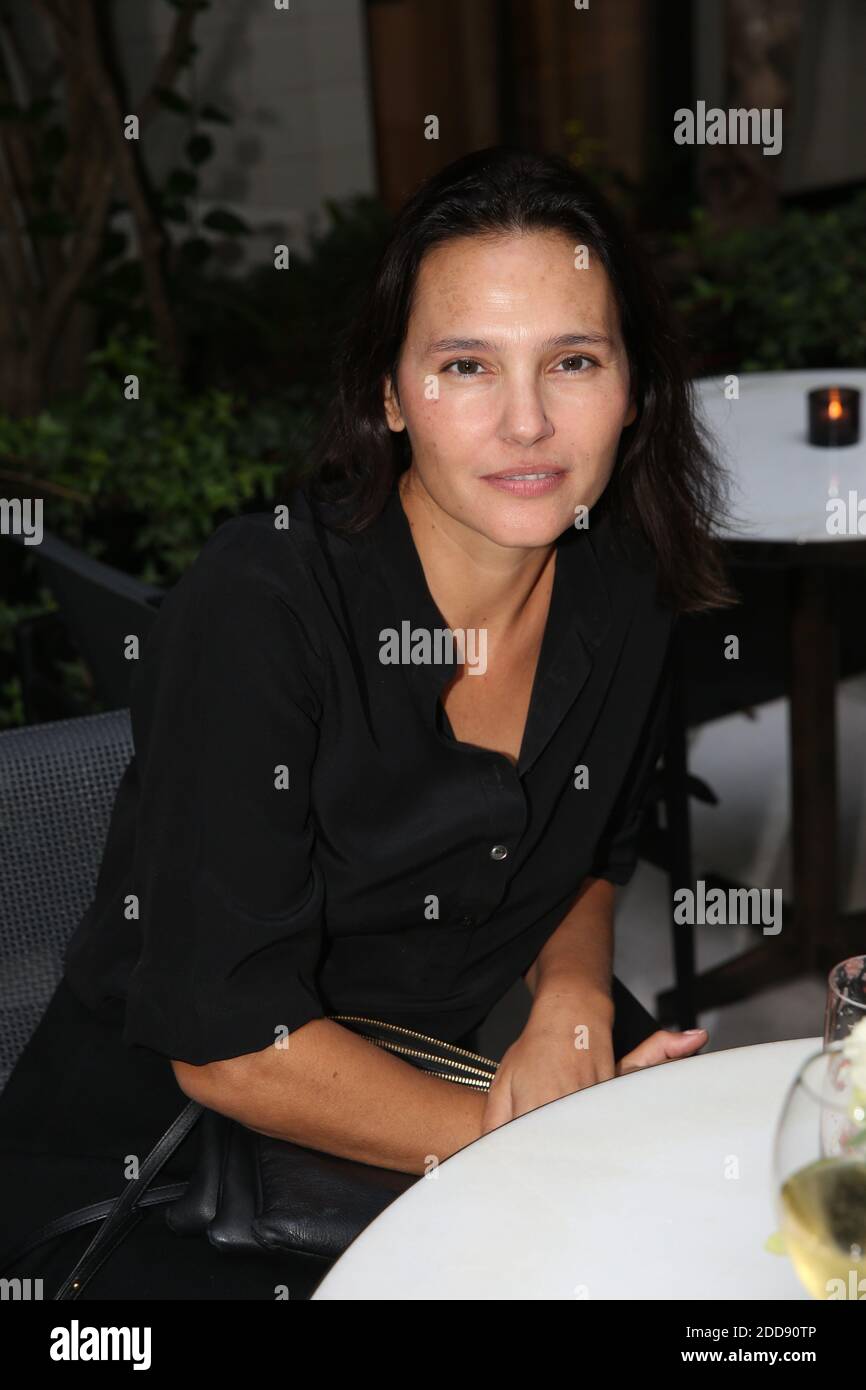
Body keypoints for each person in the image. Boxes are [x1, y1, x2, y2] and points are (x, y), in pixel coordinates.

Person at [0, 146, 734, 1300]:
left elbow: (599, 842)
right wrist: (533, 1145)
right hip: (164, 1172)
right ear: (390, 395)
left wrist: (574, 992)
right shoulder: (261, 610)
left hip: (437, 1067)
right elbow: (230, 1047)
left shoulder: (623, 582)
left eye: (573, 361)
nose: (527, 421)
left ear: (631, 385)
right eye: (464, 365)